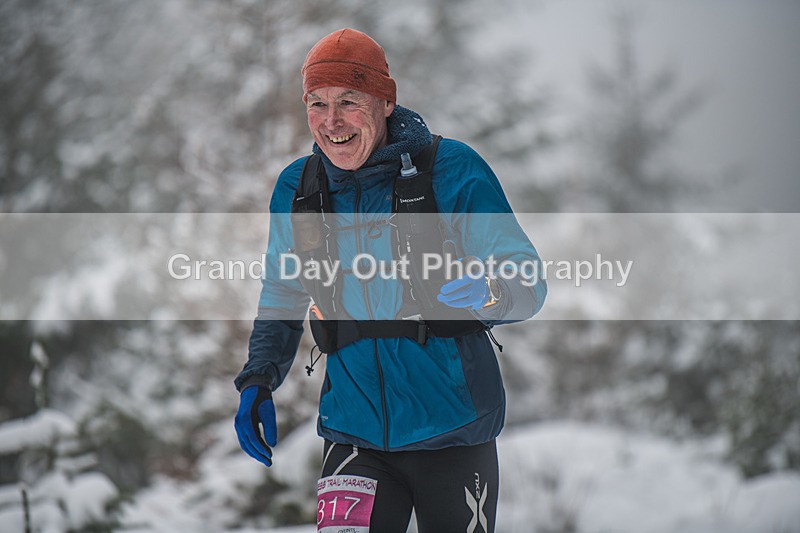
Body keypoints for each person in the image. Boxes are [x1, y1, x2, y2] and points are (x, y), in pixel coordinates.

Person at [234, 28, 546, 532]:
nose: (331, 122)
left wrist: (490, 290)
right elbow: (283, 290)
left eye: (348, 101)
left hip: (454, 432)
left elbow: (528, 280)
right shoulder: (300, 187)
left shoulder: (451, 169)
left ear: (384, 101)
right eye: (317, 104)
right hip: (353, 433)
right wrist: (258, 380)